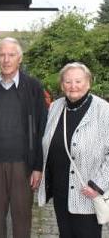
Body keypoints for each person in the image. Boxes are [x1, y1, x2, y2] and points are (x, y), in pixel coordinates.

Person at [0, 38, 47, 238]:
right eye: (2, 55)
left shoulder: (33, 87)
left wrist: (37, 167)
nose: (6, 60)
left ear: (20, 58)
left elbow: (42, 128)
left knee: (22, 217)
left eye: (11, 55)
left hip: (23, 165)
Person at [38, 62, 109, 238]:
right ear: (62, 85)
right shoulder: (56, 106)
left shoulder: (103, 110)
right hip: (60, 190)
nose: (73, 86)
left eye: (78, 81)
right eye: (68, 82)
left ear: (88, 83)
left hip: (87, 192)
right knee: (66, 233)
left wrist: (98, 185)